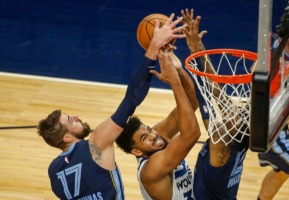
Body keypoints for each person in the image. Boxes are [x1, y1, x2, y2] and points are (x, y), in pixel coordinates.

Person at [37, 13, 187, 200]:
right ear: (67, 137)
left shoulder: (53, 171)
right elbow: (132, 98)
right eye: (70, 120)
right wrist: (154, 47)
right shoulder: (96, 143)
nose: (75, 117)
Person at [115, 10, 204, 199]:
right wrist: (174, 83)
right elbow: (192, 134)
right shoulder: (151, 170)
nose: (154, 135)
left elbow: (192, 102)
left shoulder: (157, 137)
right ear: (137, 151)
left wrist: (178, 70)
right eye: (145, 137)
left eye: (148, 129)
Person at [182, 9, 251, 200]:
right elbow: (217, 93)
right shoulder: (231, 139)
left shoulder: (220, 146)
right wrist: (197, 48)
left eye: (236, 116)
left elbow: (207, 96)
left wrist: (185, 67)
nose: (231, 112)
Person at [257, 34, 289, 200]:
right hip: (272, 134)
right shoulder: (274, 61)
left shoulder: (288, 54)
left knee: (282, 171)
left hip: (278, 125)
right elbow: (259, 103)